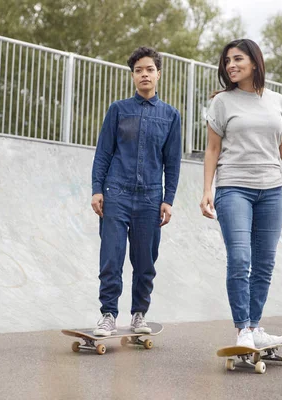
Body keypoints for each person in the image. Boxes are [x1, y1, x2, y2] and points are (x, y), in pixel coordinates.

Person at [199, 39, 282, 348]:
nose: (231, 65)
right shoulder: (222, 101)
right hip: (233, 188)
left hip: (271, 191)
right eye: (227, 61)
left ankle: (255, 326)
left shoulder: (278, 101)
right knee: (240, 258)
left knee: (264, 263)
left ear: (254, 62)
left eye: (237, 59)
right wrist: (207, 190)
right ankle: (243, 331)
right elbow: (212, 149)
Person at [90, 46, 182, 336]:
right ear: (133, 76)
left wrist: (168, 199)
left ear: (158, 74)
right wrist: (97, 190)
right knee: (111, 256)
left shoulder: (170, 115)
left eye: (149, 69)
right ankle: (108, 314)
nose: (144, 74)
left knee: (145, 260)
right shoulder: (118, 110)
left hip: (151, 197)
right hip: (116, 192)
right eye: (139, 70)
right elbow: (103, 152)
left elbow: (173, 161)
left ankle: (139, 314)